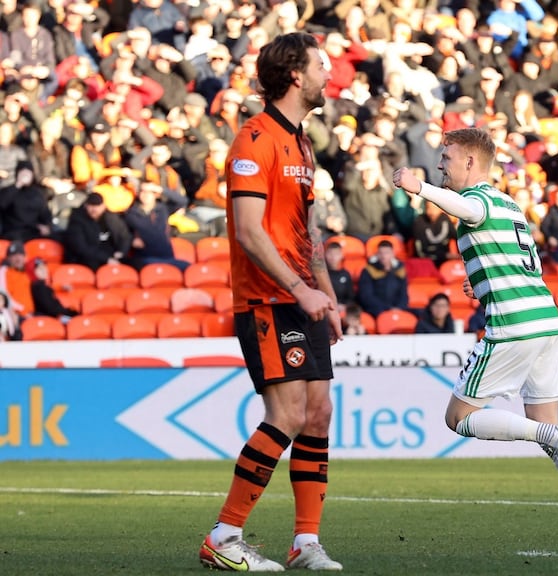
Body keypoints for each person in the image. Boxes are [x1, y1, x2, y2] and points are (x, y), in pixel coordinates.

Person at [393, 127, 558, 541]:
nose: (439, 164)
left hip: (514, 324)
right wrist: (480, 283)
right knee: (546, 425)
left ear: (470, 161)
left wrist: (420, 188)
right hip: (547, 322)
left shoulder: (477, 199)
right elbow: (520, 263)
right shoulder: (510, 204)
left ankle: (551, 436)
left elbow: (466, 211)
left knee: (458, 418)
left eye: (446, 158)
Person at [199, 32, 344, 573]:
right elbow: (248, 231)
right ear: (296, 75)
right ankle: (225, 534)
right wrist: (301, 288)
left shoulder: (303, 142)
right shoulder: (253, 140)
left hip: (302, 296)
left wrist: (324, 290)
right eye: (322, 64)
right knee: (285, 414)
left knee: (318, 414)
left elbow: (307, 226)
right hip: (266, 298)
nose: (331, 73)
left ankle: (305, 542)